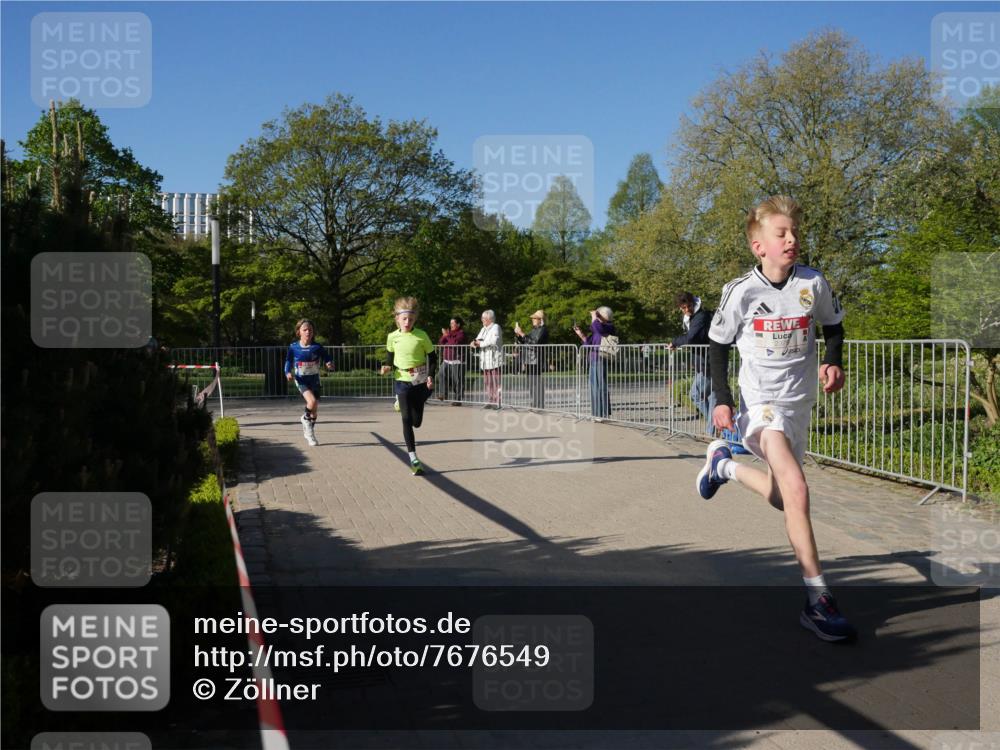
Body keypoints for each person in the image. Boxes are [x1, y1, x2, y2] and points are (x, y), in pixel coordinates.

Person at [699, 196, 853, 642]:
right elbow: (718, 345)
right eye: (781, 233)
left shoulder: (813, 283)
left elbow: (834, 326)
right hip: (761, 404)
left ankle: (723, 466)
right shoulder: (740, 291)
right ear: (757, 246)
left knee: (784, 497)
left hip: (798, 402)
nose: (791, 239)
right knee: (798, 487)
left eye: (794, 233)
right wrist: (722, 399)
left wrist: (833, 361)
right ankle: (818, 600)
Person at [379, 297, 437, 476]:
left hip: (420, 382)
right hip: (402, 380)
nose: (407, 322)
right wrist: (387, 367)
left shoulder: (421, 335)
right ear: (397, 318)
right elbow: (389, 358)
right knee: (406, 420)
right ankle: (413, 459)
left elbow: (433, 358)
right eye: (404, 319)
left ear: (415, 319)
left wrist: (430, 375)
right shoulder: (392, 337)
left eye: (411, 319)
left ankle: (404, 403)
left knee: (416, 422)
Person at [667, 291, 715, 435]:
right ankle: (712, 430)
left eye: (689, 306)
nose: (687, 310)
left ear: (693, 303)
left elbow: (691, 338)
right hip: (706, 361)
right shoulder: (694, 317)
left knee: (695, 394)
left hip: (709, 362)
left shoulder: (700, 317)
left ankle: (713, 426)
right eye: (683, 308)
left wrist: (675, 342)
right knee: (712, 397)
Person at [284, 319, 334, 447]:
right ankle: (304, 418)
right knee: (311, 402)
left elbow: (327, 358)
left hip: (314, 380)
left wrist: (329, 363)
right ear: (299, 332)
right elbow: (288, 361)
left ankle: (310, 432)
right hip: (301, 380)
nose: (308, 332)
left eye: (310, 330)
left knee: (315, 410)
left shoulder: (317, 347)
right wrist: (287, 372)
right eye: (305, 330)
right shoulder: (293, 347)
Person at [573, 306, 615, 419]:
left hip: (601, 358)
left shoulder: (608, 327)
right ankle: (596, 413)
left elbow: (597, 327)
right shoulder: (598, 329)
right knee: (593, 387)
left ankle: (604, 413)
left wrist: (593, 316)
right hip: (593, 359)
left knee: (601, 386)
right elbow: (589, 344)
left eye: (599, 315)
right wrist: (581, 335)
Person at [514, 309, 549, 409]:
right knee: (531, 383)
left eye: (535, 318)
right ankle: (534, 403)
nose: (533, 319)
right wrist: (518, 335)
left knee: (536, 382)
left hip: (536, 359)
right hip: (529, 359)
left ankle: (539, 404)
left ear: (540, 319)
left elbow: (535, 343)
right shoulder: (534, 329)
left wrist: (522, 334)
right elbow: (526, 341)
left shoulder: (543, 330)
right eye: (533, 318)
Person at [471, 309, 503, 409]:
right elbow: (478, 339)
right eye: (482, 318)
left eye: (484, 318)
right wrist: (474, 343)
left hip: (494, 359)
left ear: (489, 319)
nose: (482, 320)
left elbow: (493, 341)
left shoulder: (495, 327)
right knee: (487, 382)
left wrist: (480, 344)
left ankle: (497, 402)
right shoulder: (483, 328)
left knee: (496, 382)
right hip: (485, 360)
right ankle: (490, 400)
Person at [438, 316, 468, 405]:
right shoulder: (449, 333)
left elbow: (454, 343)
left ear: (458, 324)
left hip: (457, 361)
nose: (450, 325)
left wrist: (447, 336)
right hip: (447, 360)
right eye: (450, 323)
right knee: (441, 374)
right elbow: (441, 342)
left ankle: (458, 400)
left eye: (452, 323)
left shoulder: (461, 333)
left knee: (457, 380)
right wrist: (445, 336)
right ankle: (443, 394)